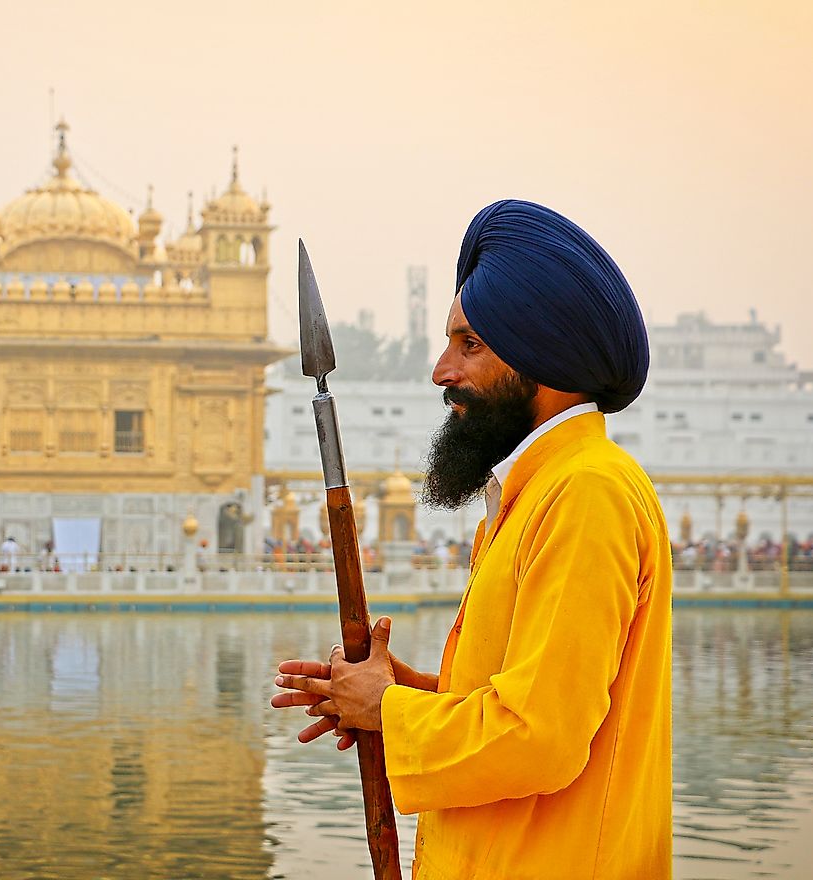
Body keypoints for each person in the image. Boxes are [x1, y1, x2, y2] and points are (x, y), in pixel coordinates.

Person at [273, 200, 671, 878]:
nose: (440, 370)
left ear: (541, 358)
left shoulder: (585, 494)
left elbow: (540, 741)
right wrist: (401, 695)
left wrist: (388, 712)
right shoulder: (532, 494)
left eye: (470, 345)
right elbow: (523, 704)